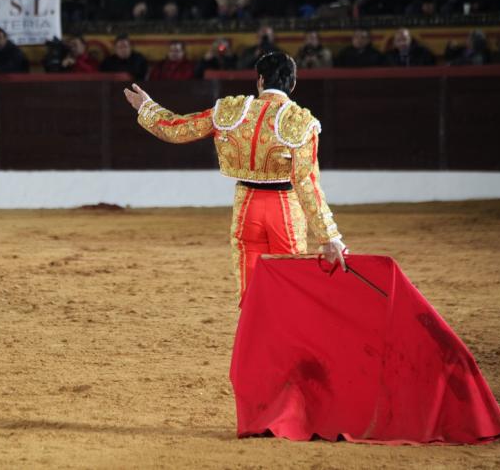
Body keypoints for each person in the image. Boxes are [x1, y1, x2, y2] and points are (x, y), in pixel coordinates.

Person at [123, 51, 346, 299]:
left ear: (260, 80)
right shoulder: (301, 122)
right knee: (288, 286)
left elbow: (178, 130)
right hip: (284, 210)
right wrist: (328, 237)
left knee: (251, 291)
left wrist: (148, 107)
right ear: (292, 83)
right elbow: (306, 183)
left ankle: (252, 337)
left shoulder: (231, 111)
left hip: (246, 207)